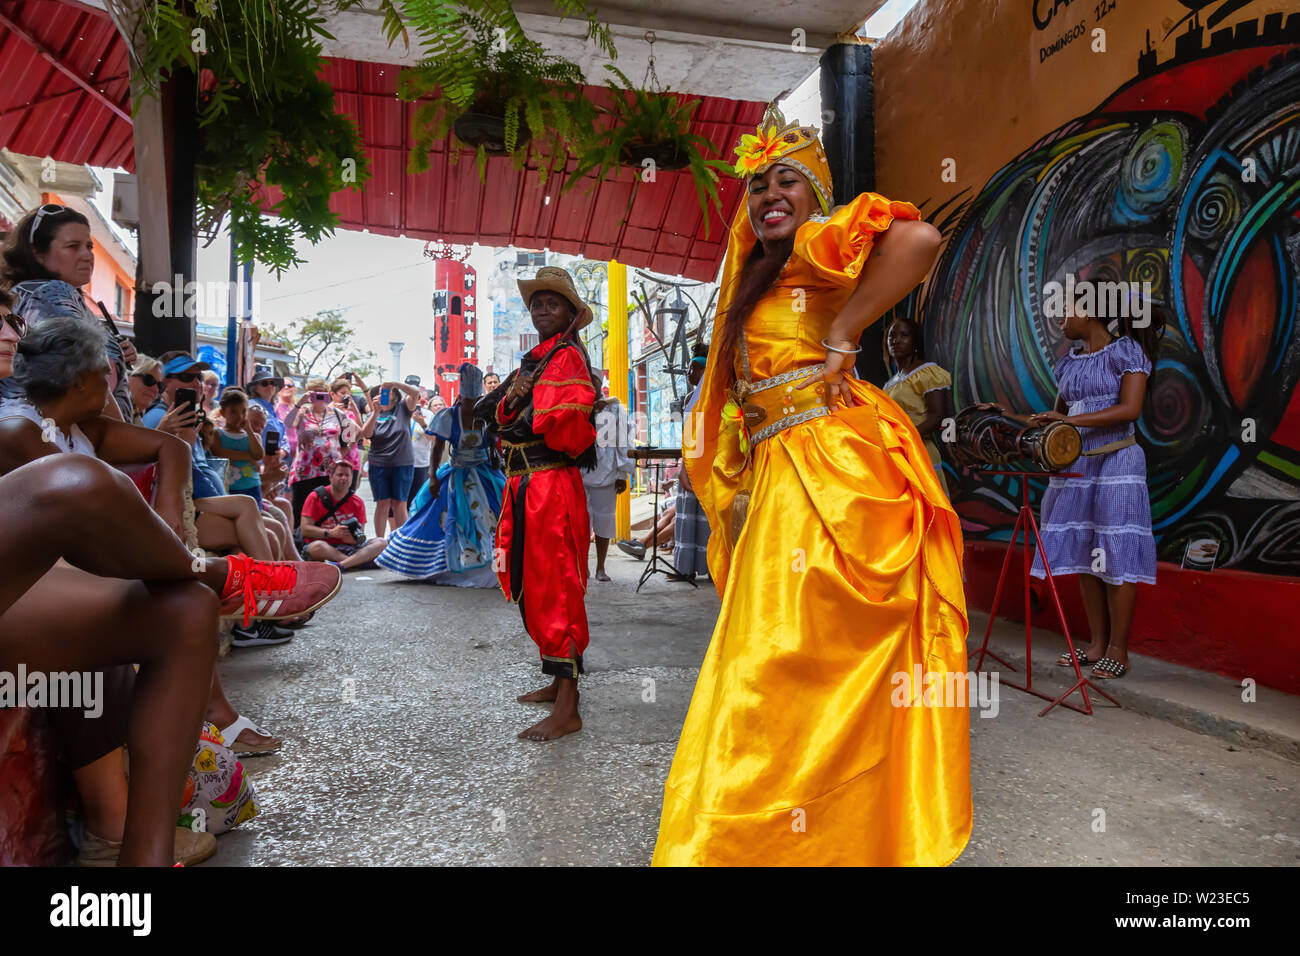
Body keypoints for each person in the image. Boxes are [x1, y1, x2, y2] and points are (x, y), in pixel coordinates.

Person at [652, 106, 970, 866]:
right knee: (791, 665)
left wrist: (844, 331)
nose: (769, 194)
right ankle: (809, 834)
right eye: (758, 184)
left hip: (833, 466)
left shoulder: (823, 245)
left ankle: (776, 838)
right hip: (785, 474)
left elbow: (920, 238)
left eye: (787, 180)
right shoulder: (759, 276)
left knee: (787, 663)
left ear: (815, 194)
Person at [0, 299, 341, 865]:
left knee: (185, 609)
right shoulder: (17, 430)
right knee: (81, 483)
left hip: (60, 586)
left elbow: (169, 447)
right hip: (22, 590)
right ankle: (218, 574)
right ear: (89, 381)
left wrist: (164, 532)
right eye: (110, 379)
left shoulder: (80, 430)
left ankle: (143, 862)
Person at [994, 297, 1164, 681]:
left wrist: (1072, 420)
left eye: (1068, 310)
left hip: (1117, 461)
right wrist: (1007, 418)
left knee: (1115, 551)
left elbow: (1129, 409)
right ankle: (1096, 643)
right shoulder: (1069, 361)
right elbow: (1059, 417)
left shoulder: (1127, 351)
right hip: (1078, 463)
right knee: (1089, 552)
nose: (1061, 318)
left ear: (1090, 312)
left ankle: (1119, 650)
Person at [475, 267, 599, 741]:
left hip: (549, 483)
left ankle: (569, 706)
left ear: (570, 313)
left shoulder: (565, 358)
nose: (543, 309)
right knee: (534, 578)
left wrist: (521, 407)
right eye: (537, 303)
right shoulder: (536, 360)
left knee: (557, 584)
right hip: (525, 483)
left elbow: (558, 427)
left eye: (553, 303)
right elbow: (501, 416)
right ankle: (556, 682)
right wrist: (517, 400)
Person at [1, 203, 133, 421]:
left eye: (89, 246)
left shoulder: (26, 294)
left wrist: (115, 352)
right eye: (72, 246)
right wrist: (128, 442)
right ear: (38, 253)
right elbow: (84, 374)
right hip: (72, 440)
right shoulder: (51, 292)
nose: (86, 255)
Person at [377, 363, 505, 586]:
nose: (471, 405)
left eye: (475, 400)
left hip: (486, 474)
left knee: (495, 519)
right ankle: (449, 567)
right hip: (456, 474)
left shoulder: (487, 415)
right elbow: (437, 448)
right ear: (462, 397)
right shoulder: (448, 416)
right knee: (446, 520)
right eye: (468, 400)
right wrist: (434, 476)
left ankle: (499, 566)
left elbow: (496, 442)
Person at [883, 316, 953, 496]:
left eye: (904, 335)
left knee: (927, 506)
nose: (896, 340)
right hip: (898, 453)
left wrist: (906, 437)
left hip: (920, 451)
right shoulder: (890, 384)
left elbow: (936, 416)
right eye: (892, 336)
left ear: (915, 342)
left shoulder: (926, 372)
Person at [284, 377, 357, 524]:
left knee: (327, 511)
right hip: (305, 470)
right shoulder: (302, 412)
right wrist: (300, 402)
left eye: (322, 392)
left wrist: (342, 452)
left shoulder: (336, 413)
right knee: (301, 510)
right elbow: (288, 423)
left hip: (329, 471)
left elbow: (354, 431)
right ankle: (301, 543)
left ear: (328, 394)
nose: (318, 396)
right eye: (315, 392)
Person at [357, 376, 420, 537]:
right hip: (379, 463)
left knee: (399, 503)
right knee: (382, 503)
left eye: (388, 390)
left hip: (402, 462)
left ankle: (401, 541)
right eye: (381, 391)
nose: (384, 392)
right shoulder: (373, 412)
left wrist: (395, 383)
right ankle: (379, 541)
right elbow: (366, 433)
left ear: (395, 393)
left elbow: (415, 393)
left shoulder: (403, 408)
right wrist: (376, 411)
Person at [300, 460, 389, 570]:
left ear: (352, 478)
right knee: (317, 547)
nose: (344, 478)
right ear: (331, 477)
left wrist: (352, 539)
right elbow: (305, 529)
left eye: (347, 475)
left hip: (350, 547)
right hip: (325, 547)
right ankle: (357, 562)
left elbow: (360, 533)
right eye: (340, 475)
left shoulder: (357, 502)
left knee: (382, 542)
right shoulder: (315, 497)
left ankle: (342, 565)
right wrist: (331, 533)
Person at [582, 394, 633, 582]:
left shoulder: (614, 408)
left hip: (608, 473)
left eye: (595, 381)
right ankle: (583, 566)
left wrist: (622, 474)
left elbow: (624, 442)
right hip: (579, 473)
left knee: (604, 522)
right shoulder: (577, 405)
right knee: (581, 524)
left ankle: (601, 568)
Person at [671, 345, 711, 580]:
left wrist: (688, 464)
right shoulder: (690, 397)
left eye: (693, 368)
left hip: (702, 462)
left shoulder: (709, 395)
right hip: (691, 458)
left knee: (704, 518)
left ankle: (709, 567)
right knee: (688, 516)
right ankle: (686, 569)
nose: (689, 373)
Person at [208, 387, 264, 507]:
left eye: (243, 411)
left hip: (252, 485)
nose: (239, 416)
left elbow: (259, 454)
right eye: (233, 412)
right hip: (229, 487)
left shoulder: (253, 436)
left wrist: (248, 430)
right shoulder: (218, 434)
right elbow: (220, 453)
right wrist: (248, 456)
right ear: (223, 413)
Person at [127, 354, 163, 424]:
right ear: (127, 376)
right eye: (149, 380)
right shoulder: (108, 411)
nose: (156, 390)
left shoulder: (135, 418)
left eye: (160, 386)